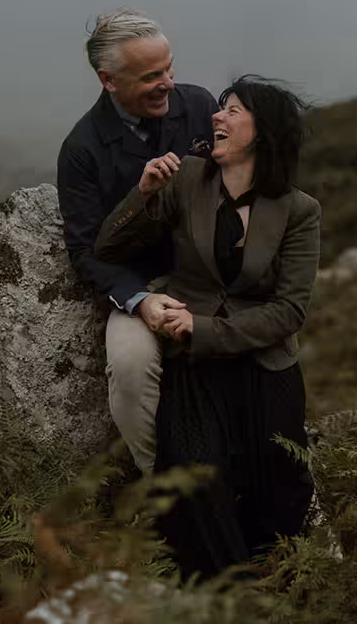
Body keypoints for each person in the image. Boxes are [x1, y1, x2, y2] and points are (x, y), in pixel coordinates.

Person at [95, 76, 319, 577]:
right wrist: (143, 192)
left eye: (233, 110)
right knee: (196, 482)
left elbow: (289, 312)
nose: (217, 117)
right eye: (219, 108)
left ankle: (273, 583)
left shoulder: (301, 212)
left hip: (262, 360)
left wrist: (205, 328)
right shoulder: (188, 179)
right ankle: (223, 594)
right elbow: (107, 248)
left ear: (264, 133)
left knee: (279, 485)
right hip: (192, 363)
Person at [57, 9, 217, 475]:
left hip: (211, 276)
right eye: (151, 76)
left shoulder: (201, 105)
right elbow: (85, 254)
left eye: (169, 68)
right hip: (141, 285)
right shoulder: (82, 150)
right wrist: (140, 301)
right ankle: (168, 491)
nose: (168, 83)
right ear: (108, 80)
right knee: (128, 370)